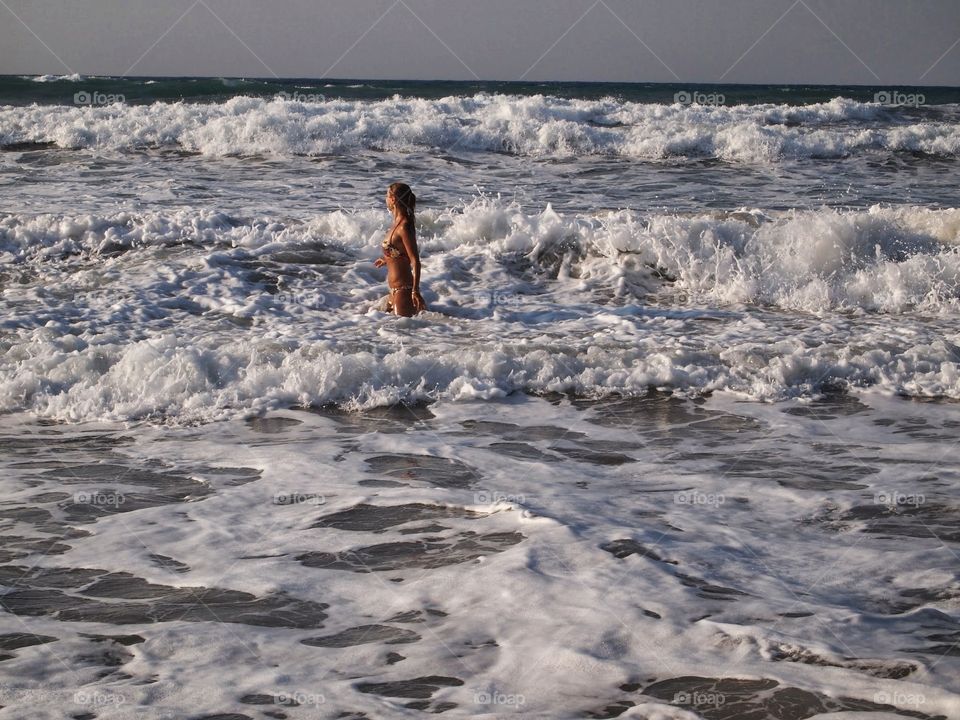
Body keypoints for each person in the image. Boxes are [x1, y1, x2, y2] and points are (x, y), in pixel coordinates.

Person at [375, 182, 426, 316]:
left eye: (386, 195)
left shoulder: (404, 226)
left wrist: (415, 291)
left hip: (404, 292)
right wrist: (387, 258)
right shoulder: (396, 224)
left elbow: (415, 261)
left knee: (403, 333)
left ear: (393, 199)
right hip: (394, 292)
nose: (385, 199)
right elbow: (402, 253)